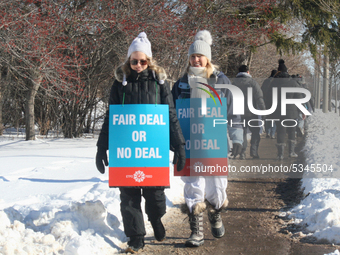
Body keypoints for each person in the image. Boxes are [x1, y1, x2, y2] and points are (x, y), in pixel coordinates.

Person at [95, 32, 186, 253]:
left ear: (149, 61)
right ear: (128, 61)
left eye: (142, 61)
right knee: (128, 196)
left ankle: (155, 219)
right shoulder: (119, 86)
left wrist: (180, 146)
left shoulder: (160, 85)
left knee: (154, 196)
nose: (138, 65)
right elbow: (111, 117)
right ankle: (136, 236)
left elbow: (171, 116)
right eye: (134, 61)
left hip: (152, 150)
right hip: (126, 151)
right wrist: (101, 146)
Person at [171, 30, 243, 247]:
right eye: (193, 56)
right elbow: (173, 114)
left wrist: (237, 136)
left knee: (216, 185)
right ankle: (196, 230)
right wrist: (174, 141)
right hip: (190, 143)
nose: (196, 59)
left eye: (200, 56)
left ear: (208, 57)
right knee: (193, 185)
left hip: (215, 142)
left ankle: (215, 212)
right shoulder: (181, 83)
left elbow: (233, 110)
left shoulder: (221, 80)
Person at [263, 59, 303, 159]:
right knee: (291, 130)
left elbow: (268, 98)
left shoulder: (273, 83)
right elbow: (298, 98)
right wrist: (302, 111)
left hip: (278, 111)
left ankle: (280, 154)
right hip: (291, 112)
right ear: (287, 72)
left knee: (280, 130)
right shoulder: (293, 83)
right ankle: (291, 152)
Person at [232, 65, 266, 159]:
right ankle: (254, 151)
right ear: (248, 72)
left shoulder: (233, 83)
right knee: (255, 132)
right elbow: (259, 98)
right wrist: (263, 111)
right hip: (252, 113)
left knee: (242, 132)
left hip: (238, 113)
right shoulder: (253, 83)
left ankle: (242, 153)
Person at [261, 70, 277, 139]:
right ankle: (272, 133)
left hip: (266, 102)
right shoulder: (277, 82)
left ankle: (267, 131)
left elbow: (261, 90)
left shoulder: (266, 81)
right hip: (275, 102)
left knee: (268, 118)